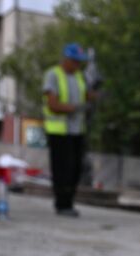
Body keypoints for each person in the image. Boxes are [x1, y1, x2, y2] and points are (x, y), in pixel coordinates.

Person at [42, 43, 89, 217]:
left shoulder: (79, 76)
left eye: (80, 62)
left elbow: (86, 95)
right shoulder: (53, 75)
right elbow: (52, 104)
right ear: (67, 59)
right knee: (62, 169)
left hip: (77, 130)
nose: (78, 65)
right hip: (58, 131)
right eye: (75, 61)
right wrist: (75, 108)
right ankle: (62, 204)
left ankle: (69, 202)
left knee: (76, 168)